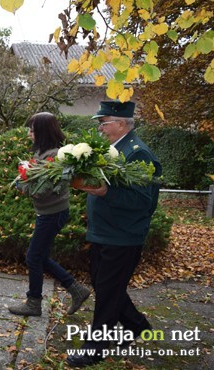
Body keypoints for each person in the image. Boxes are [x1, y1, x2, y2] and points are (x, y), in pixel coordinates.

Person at [66, 101, 162, 367]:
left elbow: (143, 201)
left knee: (108, 293)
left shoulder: (137, 154)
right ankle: (137, 326)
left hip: (122, 237)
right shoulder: (113, 149)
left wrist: (106, 192)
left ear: (121, 123)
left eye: (103, 122)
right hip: (105, 233)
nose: (100, 128)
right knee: (106, 286)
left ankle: (94, 349)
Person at [9, 112, 90, 317]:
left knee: (33, 257)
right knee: (40, 256)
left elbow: (42, 189)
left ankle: (34, 303)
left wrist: (22, 185)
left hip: (53, 213)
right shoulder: (43, 153)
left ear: (43, 132)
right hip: (48, 212)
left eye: (32, 130)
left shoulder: (54, 156)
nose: (29, 134)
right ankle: (76, 289)